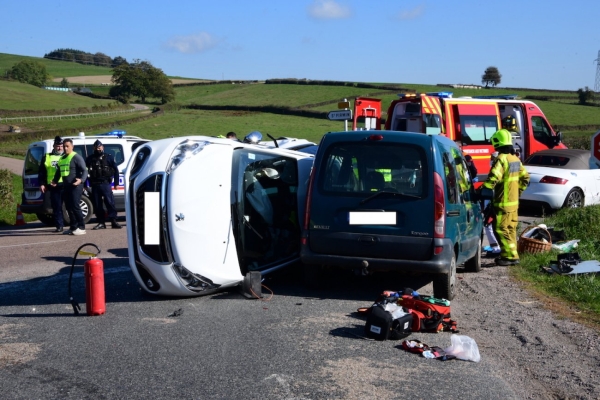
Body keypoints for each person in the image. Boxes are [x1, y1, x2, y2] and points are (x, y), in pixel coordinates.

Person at [479, 130, 529, 266]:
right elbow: (526, 177)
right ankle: (513, 254)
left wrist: (483, 190)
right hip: (514, 203)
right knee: (511, 229)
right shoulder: (515, 159)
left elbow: (493, 178)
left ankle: (509, 257)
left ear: (497, 142)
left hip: (503, 203)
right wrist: (518, 192)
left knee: (501, 229)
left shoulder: (501, 159)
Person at [51, 138, 88, 235]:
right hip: (66, 186)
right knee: (68, 207)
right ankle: (73, 227)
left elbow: (84, 170)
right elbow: (59, 171)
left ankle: (81, 227)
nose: (65, 148)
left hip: (76, 186)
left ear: (72, 146)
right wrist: (55, 180)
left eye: (67, 146)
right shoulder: (62, 158)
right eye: (64, 146)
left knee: (75, 206)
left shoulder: (76, 157)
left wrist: (81, 180)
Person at [86, 140, 122, 230]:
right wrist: (85, 185)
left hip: (105, 184)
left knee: (110, 203)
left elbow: (116, 170)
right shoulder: (89, 159)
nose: (98, 149)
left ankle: (113, 221)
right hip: (94, 185)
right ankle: (101, 222)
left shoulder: (108, 158)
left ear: (102, 147)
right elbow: (84, 172)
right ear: (93, 148)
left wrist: (116, 183)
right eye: (96, 148)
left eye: (99, 147)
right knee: (97, 205)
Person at [38, 136, 65, 232]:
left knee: (70, 206)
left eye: (61, 146)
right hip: (53, 186)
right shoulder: (47, 156)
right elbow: (41, 172)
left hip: (66, 185)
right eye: (58, 146)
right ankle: (59, 226)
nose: (60, 148)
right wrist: (42, 183)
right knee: (56, 207)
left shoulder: (67, 156)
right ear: (54, 146)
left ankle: (74, 225)